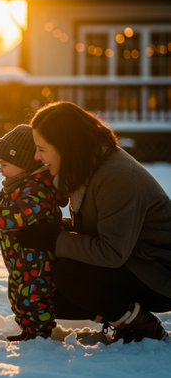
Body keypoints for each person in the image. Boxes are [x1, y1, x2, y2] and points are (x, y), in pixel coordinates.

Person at [17, 101, 171, 343]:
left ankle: (138, 323)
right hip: (134, 260)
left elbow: (111, 252)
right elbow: (94, 229)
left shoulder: (117, 177)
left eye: (41, 148)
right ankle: (120, 313)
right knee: (47, 292)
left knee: (69, 274)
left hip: (158, 272)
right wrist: (53, 229)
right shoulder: (86, 168)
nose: (37, 156)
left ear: (65, 146)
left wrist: (54, 238)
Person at [0, 125, 66, 341]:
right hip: (18, 262)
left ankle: (39, 336)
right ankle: (28, 331)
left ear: (25, 164)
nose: (0, 170)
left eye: (4, 164)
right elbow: (1, 204)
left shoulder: (38, 190)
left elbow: (19, 214)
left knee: (33, 298)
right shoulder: (17, 185)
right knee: (17, 296)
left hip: (37, 262)